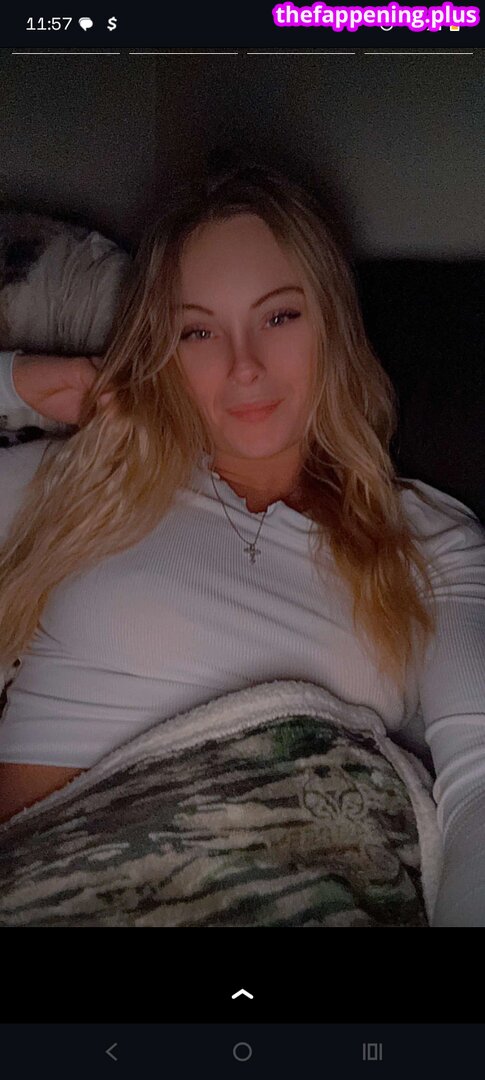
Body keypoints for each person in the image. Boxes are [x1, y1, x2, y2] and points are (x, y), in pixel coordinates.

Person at [0, 163, 484, 926]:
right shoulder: (82, 482)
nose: (244, 365)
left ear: (333, 324)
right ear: (162, 350)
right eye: (197, 331)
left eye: (279, 316)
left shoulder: (428, 538)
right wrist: (29, 382)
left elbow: (476, 785)